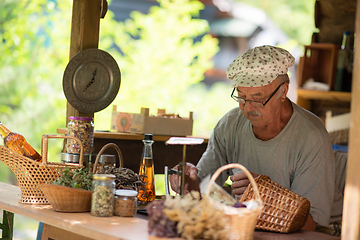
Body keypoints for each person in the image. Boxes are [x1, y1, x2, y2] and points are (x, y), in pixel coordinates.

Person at [170, 45, 343, 235]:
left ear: (283, 91)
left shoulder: (311, 135)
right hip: (254, 230)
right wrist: (186, 180)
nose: (248, 107)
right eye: (241, 97)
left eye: (257, 98)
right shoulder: (230, 124)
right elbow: (204, 189)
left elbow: (310, 225)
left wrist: (264, 193)